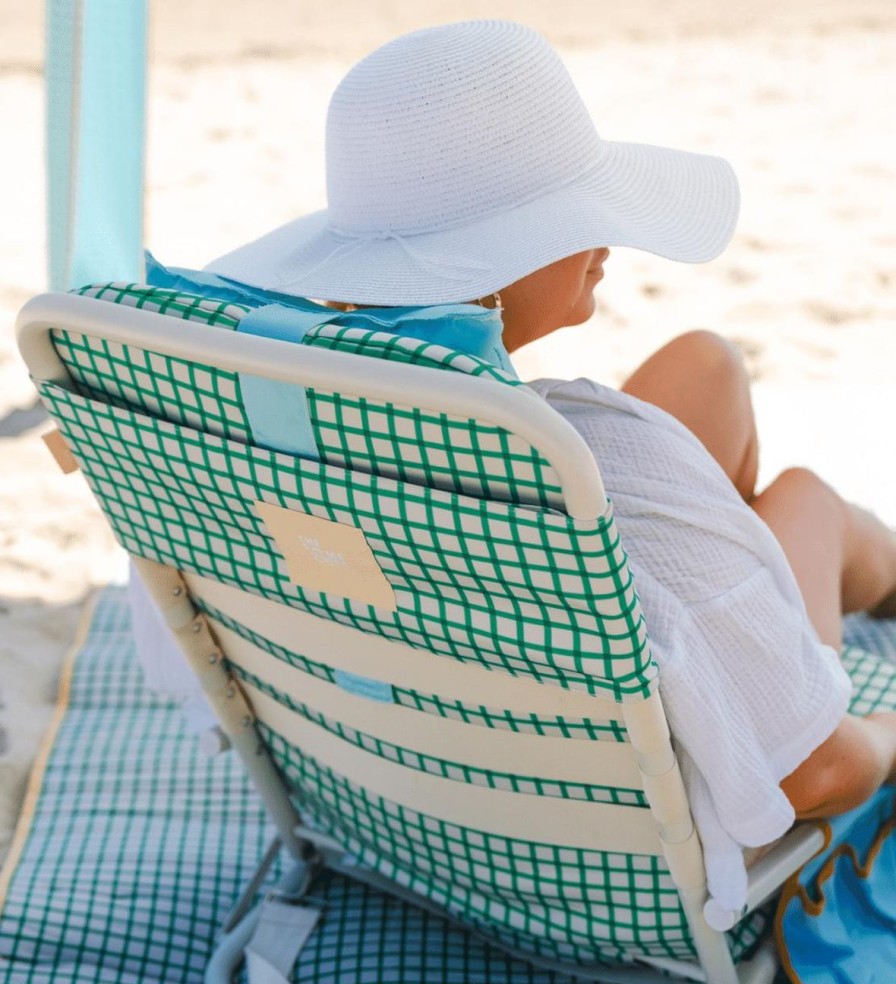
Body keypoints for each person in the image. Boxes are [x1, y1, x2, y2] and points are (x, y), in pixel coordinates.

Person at [204, 19, 896, 911]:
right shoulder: (568, 458)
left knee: (705, 364)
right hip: (620, 846)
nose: (607, 231)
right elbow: (813, 771)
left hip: (400, 791)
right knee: (805, 500)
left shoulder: (280, 413)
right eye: (576, 209)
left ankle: (754, 594)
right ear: (494, 262)